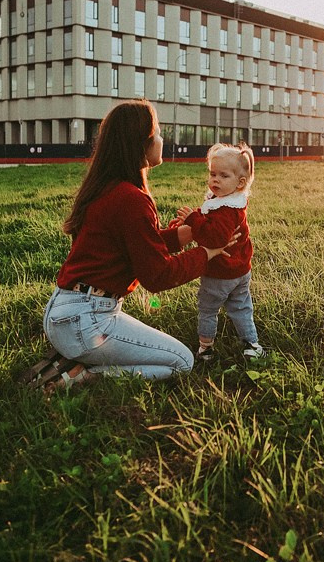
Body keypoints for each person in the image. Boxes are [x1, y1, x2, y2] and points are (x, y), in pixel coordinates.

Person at [38, 99, 237, 387]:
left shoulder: (108, 187)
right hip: (87, 322)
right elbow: (157, 276)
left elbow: (141, 242)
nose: (161, 138)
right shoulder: (131, 198)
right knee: (182, 361)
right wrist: (207, 253)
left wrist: (190, 233)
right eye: (157, 132)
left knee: (163, 355)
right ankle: (84, 376)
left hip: (64, 313)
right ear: (140, 143)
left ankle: (74, 359)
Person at [177, 141, 264, 363]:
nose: (215, 179)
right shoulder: (227, 201)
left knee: (208, 309)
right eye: (212, 173)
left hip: (220, 273)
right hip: (241, 270)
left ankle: (205, 348)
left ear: (240, 182)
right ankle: (252, 344)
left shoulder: (226, 210)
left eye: (223, 176)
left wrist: (193, 220)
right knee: (241, 307)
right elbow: (208, 215)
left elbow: (216, 238)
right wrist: (191, 221)